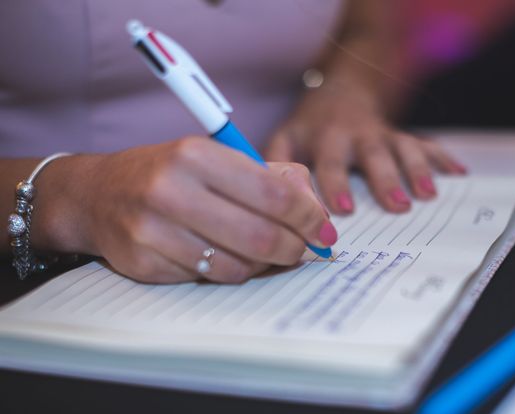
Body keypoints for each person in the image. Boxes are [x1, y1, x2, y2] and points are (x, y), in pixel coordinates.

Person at [0, 0, 464, 284]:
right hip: (40, 284)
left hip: (287, 205)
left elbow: (366, 24)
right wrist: (75, 198)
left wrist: (342, 90)